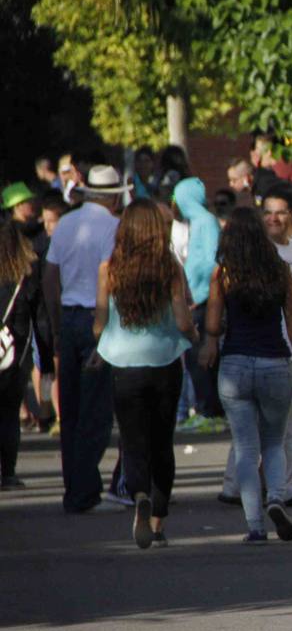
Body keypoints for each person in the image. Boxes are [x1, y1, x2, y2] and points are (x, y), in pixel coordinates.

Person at [201, 207, 292, 543]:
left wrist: (213, 339)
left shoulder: (223, 273)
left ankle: (255, 526)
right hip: (274, 363)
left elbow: (212, 324)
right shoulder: (279, 270)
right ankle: (276, 498)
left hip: (235, 365)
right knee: (274, 442)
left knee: (246, 448)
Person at [92, 200, 197, 548]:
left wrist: (102, 344)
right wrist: (196, 337)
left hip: (124, 365)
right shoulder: (170, 267)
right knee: (162, 441)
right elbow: (183, 320)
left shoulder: (109, 269)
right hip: (165, 361)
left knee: (133, 439)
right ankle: (158, 521)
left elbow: (99, 325)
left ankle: (138, 494)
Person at [43, 164, 124, 512]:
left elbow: (50, 275)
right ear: (112, 198)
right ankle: (84, 493)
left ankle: (73, 487)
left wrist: (55, 323)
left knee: (72, 409)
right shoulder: (113, 227)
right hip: (97, 317)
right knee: (96, 410)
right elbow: (110, 277)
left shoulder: (65, 223)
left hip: (69, 314)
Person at [0, 219, 53, 489]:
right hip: (15, 352)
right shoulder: (25, 275)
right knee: (9, 413)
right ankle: (7, 472)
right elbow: (40, 318)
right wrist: (46, 356)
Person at [172, 177, 227, 433]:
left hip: (202, 300)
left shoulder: (205, 221)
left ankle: (209, 411)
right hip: (196, 297)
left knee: (201, 357)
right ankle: (206, 408)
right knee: (196, 358)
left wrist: (196, 292)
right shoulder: (199, 221)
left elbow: (212, 261)